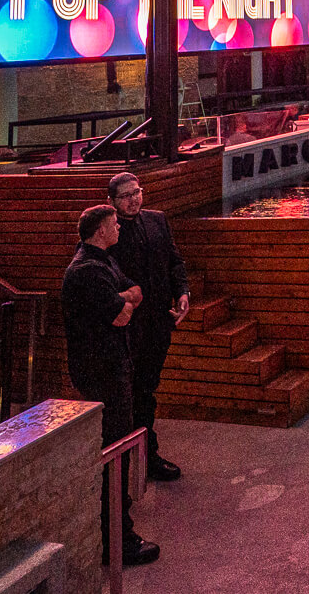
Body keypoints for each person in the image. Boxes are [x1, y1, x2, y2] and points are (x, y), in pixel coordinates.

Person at [63, 204, 158, 566]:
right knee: (114, 450)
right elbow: (121, 313)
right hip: (101, 373)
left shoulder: (104, 261)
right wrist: (126, 301)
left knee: (119, 445)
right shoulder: (87, 271)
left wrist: (127, 298)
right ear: (101, 230)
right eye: (114, 224)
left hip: (113, 368)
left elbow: (135, 292)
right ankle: (117, 539)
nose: (120, 227)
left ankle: (118, 529)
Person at [106, 172, 191, 484]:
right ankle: (132, 460)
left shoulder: (157, 220)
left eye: (137, 192)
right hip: (128, 328)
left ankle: (146, 456)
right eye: (126, 195)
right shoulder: (109, 231)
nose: (134, 199)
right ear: (112, 202)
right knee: (131, 395)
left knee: (147, 391)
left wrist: (182, 292)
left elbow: (174, 261)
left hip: (158, 323)